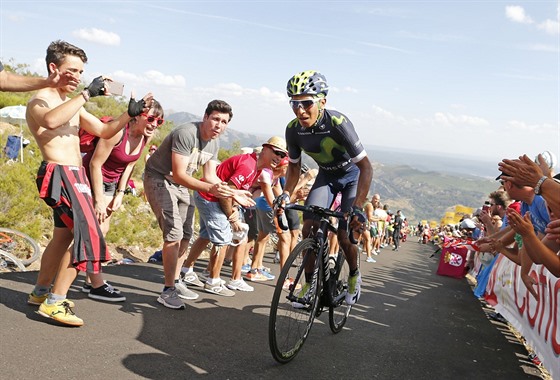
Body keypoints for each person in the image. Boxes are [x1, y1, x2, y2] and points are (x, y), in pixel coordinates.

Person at [26, 40, 152, 326]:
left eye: (82, 72)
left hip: (75, 176)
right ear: (53, 68)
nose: (79, 77)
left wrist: (128, 115)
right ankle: (55, 303)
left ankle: (40, 293)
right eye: (72, 70)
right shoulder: (41, 99)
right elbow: (50, 119)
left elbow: (105, 130)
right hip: (59, 174)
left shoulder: (68, 103)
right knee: (89, 233)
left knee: (63, 237)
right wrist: (85, 94)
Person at [278, 70, 373, 305]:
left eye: (306, 103)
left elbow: (366, 167)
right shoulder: (293, 129)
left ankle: (353, 275)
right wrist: (286, 193)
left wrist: (358, 206)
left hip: (352, 177)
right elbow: (293, 167)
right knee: (309, 228)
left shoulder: (338, 123)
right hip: (326, 178)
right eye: (294, 104)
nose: (300, 111)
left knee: (344, 234)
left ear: (322, 101)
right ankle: (309, 285)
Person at [144, 100, 247, 309]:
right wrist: (211, 190)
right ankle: (168, 290)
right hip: (159, 178)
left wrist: (232, 192)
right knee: (173, 235)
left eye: (224, 122)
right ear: (205, 117)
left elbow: (210, 176)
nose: (219, 125)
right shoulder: (186, 133)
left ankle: (176, 280)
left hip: (182, 184)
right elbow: (180, 174)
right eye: (216, 119)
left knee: (186, 235)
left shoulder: (215, 142)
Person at [79, 101, 164, 302]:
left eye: (159, 121)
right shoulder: (118, 132)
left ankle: (89, 279)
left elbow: (130, 165)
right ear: (136, 116)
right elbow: (95, 164)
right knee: (95, 232)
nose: (154, 124)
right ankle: (96, 283)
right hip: (91, 178)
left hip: (112, 184)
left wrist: (120, 192)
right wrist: (99, 199)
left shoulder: (145, 136)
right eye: (150, 118)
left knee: (99, 231)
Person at [182, 138, 281, 295]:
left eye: (282, 155)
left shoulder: (258, 168)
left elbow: (235, 192)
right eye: (277, 152)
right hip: (210, 197)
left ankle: (186, 270)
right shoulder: (248, 166)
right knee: (223, 239)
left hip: (210, 196)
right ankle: (213, 281)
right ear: (265, 149)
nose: (279, 157)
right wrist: (232, 216)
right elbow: (225, 193)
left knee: (206, 235)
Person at [0, 60, 77, 92]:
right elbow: (50, 122)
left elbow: (4, 80)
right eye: (73, 70)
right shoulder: (39, 100)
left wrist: (47, 82)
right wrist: (86, 94)